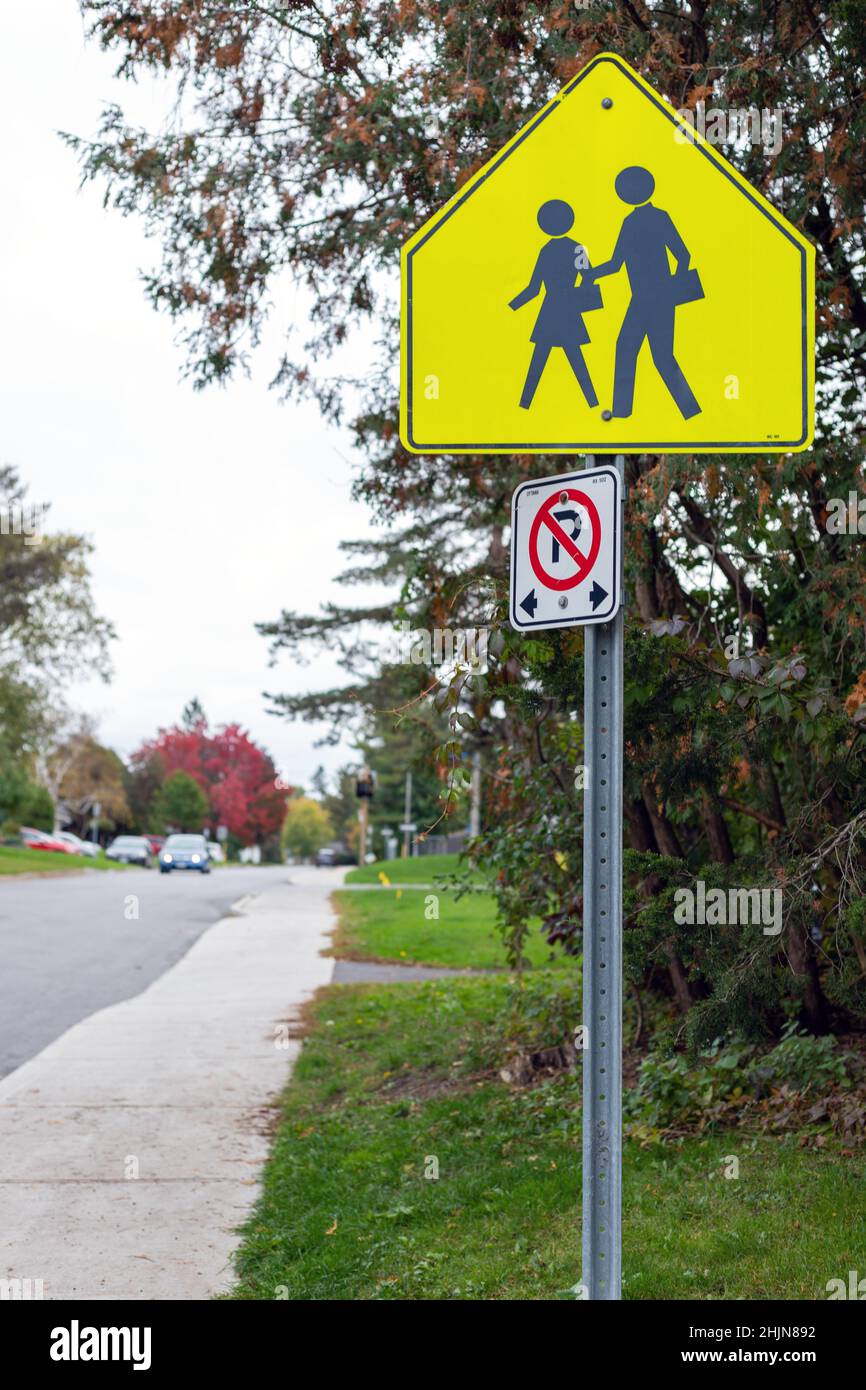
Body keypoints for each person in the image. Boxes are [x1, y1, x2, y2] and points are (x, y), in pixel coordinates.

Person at [589, 166, 702, 420]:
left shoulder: (643, 220)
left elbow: (681, 255)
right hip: (647, 299)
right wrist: (592, 274)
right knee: (640, 351)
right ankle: (625, 413)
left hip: (651, 299)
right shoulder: (641, 220)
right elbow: (619, 263)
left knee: (648, 354)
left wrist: (672, 288)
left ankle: (687, 412)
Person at [509, 199, 601, 410]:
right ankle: (593, 403)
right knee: (573, 359)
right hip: (567, 308)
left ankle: (525, 404)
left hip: (551, 310)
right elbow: (589, 276)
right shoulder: (576, 248)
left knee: (541, 359)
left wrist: (513, 306)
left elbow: (534, 289)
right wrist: (578, 296)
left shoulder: (547, 250)